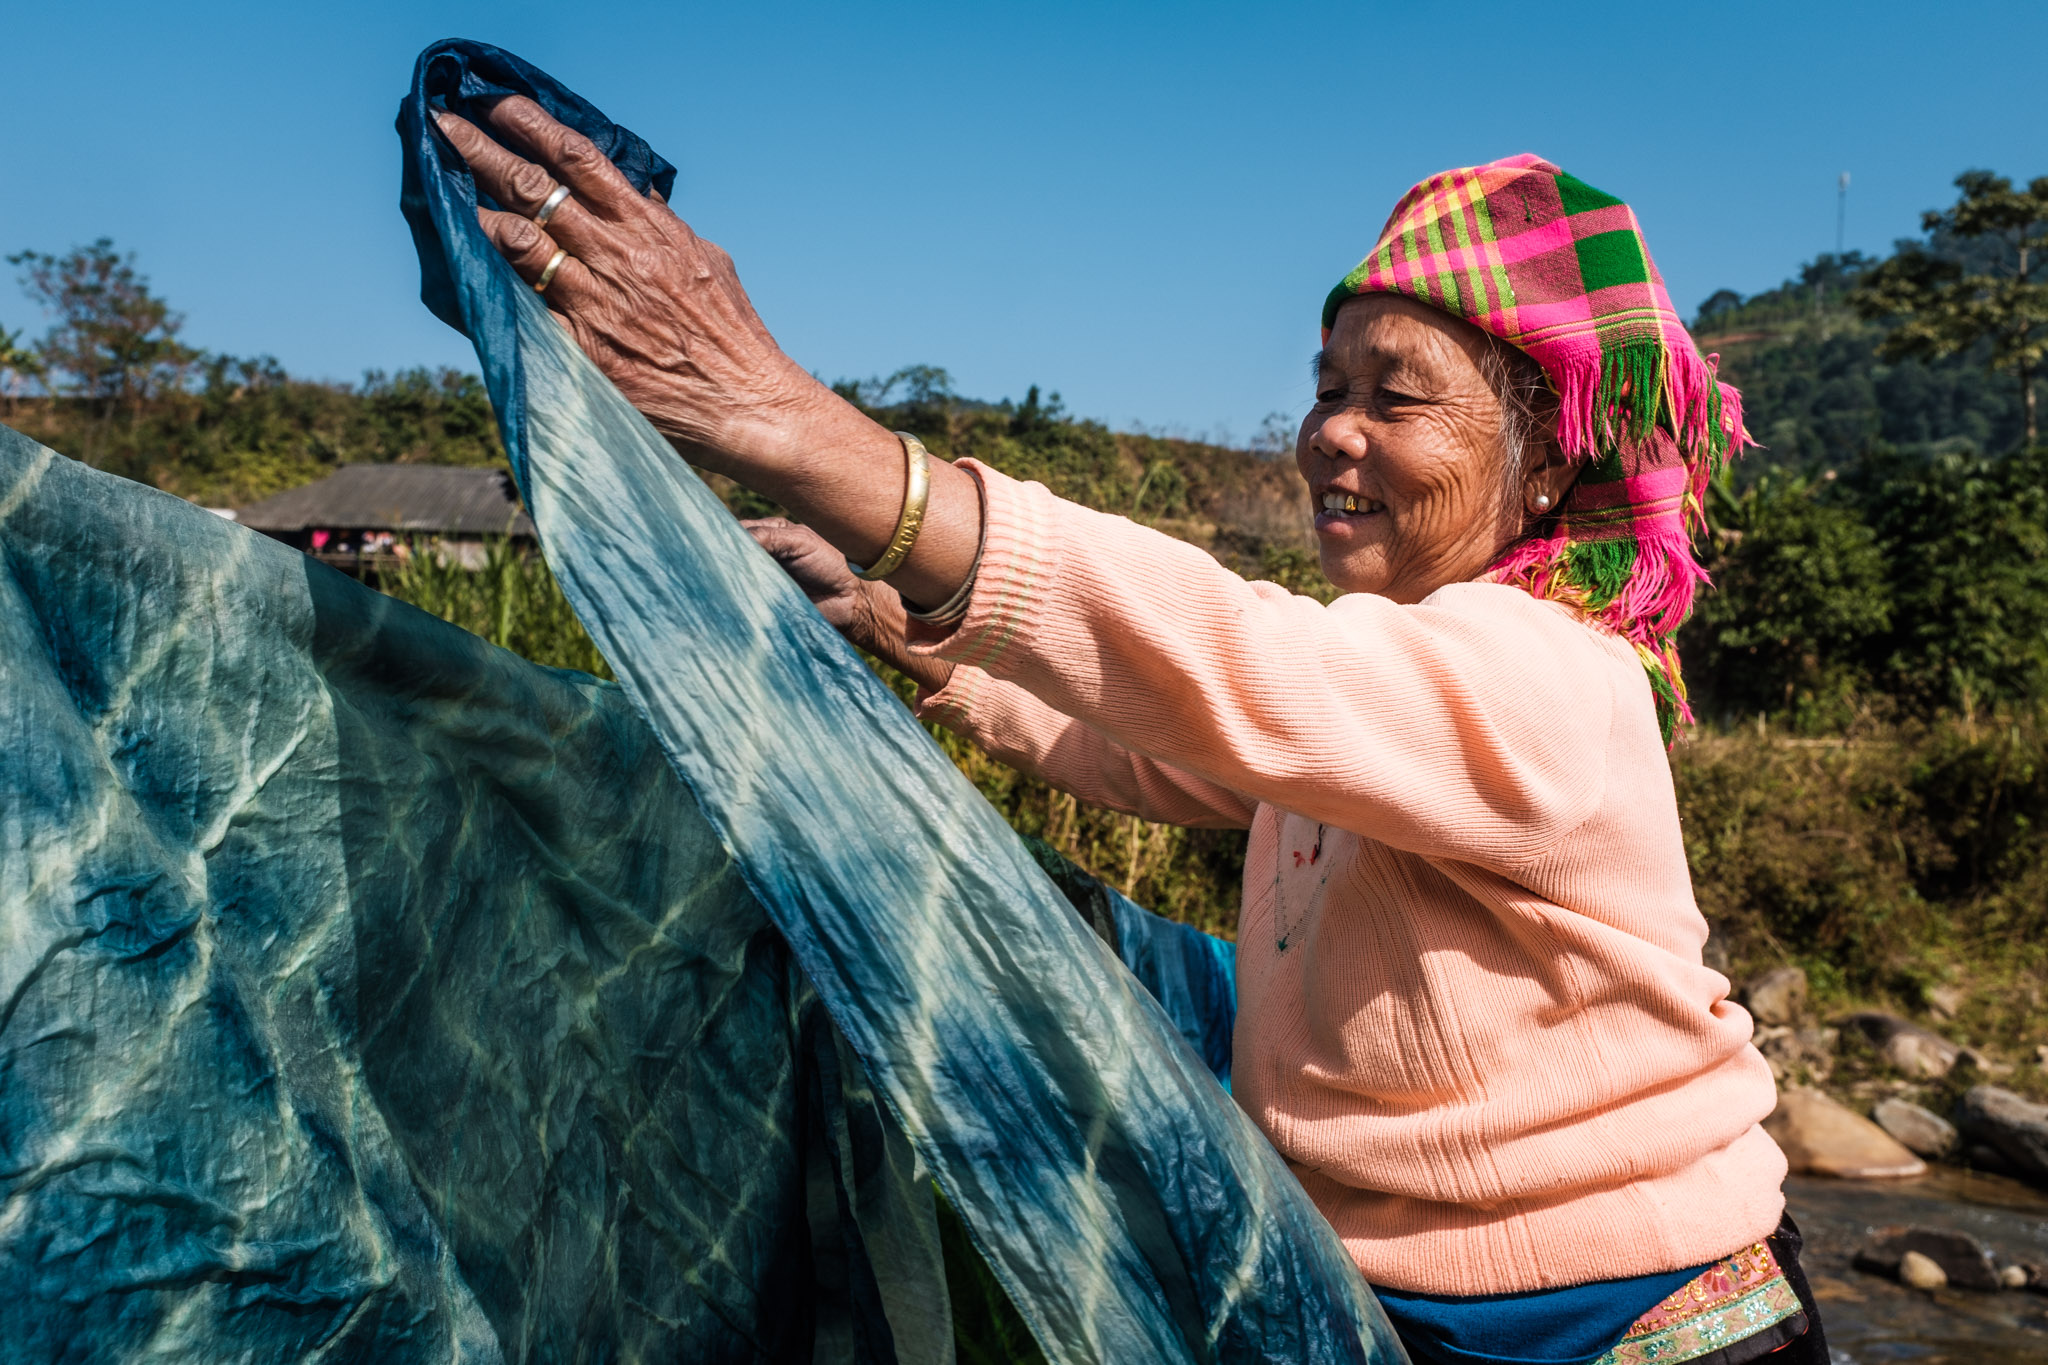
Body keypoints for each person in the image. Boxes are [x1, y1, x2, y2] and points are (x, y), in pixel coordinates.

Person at [438, 98, 1825, 1364]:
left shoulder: (1554, 679)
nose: (1336, 432)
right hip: (1397, 1310)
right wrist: (889, 610)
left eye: (1396, 396)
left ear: (1549, 459)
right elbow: (1171, 741)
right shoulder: (1386, 694)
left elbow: (1233, 659)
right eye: (1330, 386)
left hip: (1639, 1335)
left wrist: (794, 426)